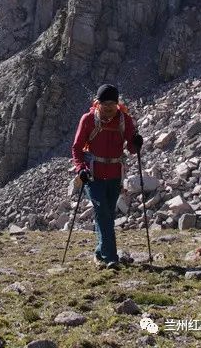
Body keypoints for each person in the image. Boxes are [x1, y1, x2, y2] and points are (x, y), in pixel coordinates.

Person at [72, 83, 144, 269]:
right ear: (98, 103)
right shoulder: (88, 119)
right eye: (106, 105)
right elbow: (77, 148)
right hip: (92, 175)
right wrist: (81, 169)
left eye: (113, 105)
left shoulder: (124, 120)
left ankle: (99, 253)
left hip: (114, 175)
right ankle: (111, 257)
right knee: (103, 210)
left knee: (106, 215)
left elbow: (131, 148)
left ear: (118, 103)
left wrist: (137, 142)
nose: (109, 109)